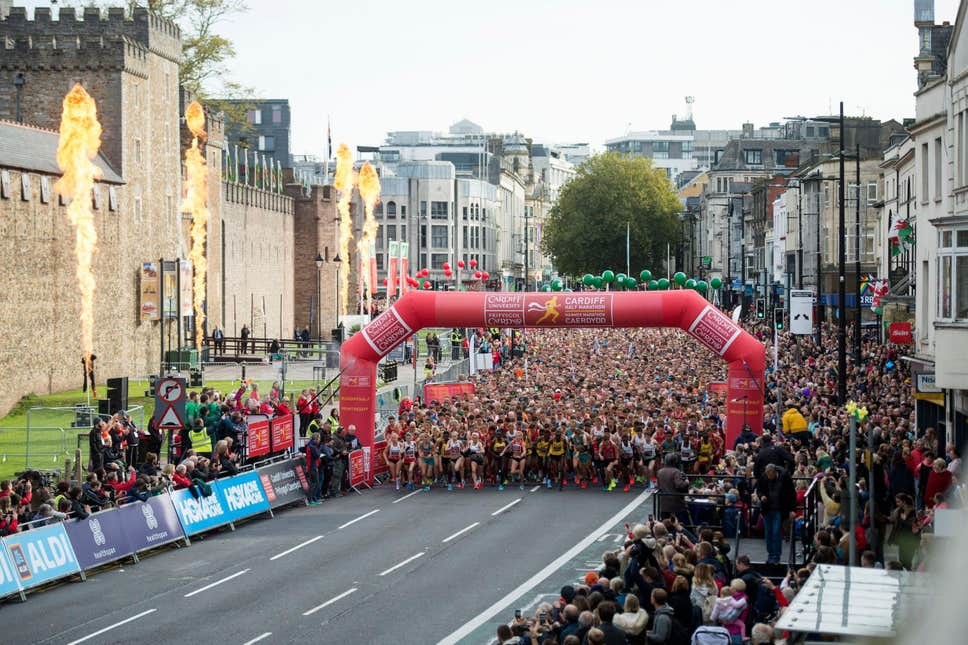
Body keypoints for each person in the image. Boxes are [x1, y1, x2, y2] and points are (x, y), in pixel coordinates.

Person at [756, 463, 797, 564]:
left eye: (770, 475)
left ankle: (776, 556)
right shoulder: (764, 477)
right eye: (767, 475)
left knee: (776, 532)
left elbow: (792, 493)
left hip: (779, 509)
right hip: (767, 509)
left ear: (775, 473)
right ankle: (770, 554)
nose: (769, 477)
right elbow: (759, 490)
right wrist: (761, 496)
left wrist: (792, 509)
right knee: (768, 533)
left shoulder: (784, 477)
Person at [657, 453, 690, 522]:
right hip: (675, 502)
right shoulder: (676, 471)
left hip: (664, 502)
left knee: (665, 521)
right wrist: (686, 482)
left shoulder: (660, 471)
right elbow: (679, 485)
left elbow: (659, 486)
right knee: (680, 521)